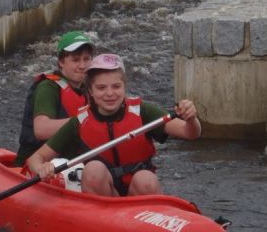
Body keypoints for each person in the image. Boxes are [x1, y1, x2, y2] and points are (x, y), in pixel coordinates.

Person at [26, 52, 201, 197]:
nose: (110, 93)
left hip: (139, 197)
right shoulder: (79, 122)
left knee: (145, 179)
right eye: (101, 88)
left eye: (116, 86)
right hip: (105, 197)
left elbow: (191, 133)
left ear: (124, 87)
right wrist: (42, 168)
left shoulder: (141, 111)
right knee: (93, 170)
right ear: (91, 92)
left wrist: (191, 118)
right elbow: (35, 158)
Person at [14, 30, 95, 165]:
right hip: (36, 165)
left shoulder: (91, 89)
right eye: (75, 60)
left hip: (69, 162)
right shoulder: (48, 87)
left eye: (86, 59)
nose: (82, 66)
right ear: (61, 62)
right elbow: (41, 130)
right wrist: (83, 120)